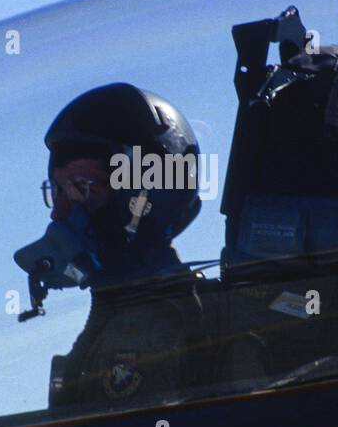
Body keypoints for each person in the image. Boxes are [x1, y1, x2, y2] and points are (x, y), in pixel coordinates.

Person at [14, 83, 209, 408]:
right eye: (57, 190)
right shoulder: (113, 317)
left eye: (80, 187)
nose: (59, 213)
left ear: (143, 197)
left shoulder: (160, 326)